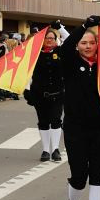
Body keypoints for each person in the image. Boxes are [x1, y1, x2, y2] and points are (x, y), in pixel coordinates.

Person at [58, 16, 100, 200]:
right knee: (79, 177)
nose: (88, 47)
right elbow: (65, 48)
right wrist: (83, 27)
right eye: (83, 43)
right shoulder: (69, 63)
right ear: (78, 45)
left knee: (98, 175)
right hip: (75, 129)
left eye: (92, 43)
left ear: (98, 45)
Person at [26, 28, 63, 162]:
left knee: (56, 120)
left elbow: (71, 40)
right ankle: (46, 150)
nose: (49, 40)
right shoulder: (34, 54)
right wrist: (27, 91)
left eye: (52, 38)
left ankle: (55, 149)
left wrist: (60, 28)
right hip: (39, 94)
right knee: (43, 122)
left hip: (57, 94)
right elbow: (27, 73)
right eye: (46, 38)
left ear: (55, 40)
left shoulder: (61, 52)